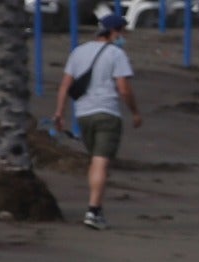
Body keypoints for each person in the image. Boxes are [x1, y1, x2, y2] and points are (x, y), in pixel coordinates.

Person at [53, 13, 142, 231]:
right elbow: (123, 88)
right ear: (114, 32)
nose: (124, 36)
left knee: (95, 160)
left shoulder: (78, 52)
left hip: (83, 114)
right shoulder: (116, 54)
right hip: (107, 113)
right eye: (122, 31)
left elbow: (65, 85)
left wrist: (59, 113)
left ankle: (95, 207)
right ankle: (94, 210)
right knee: (101, 162)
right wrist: (135, 112)